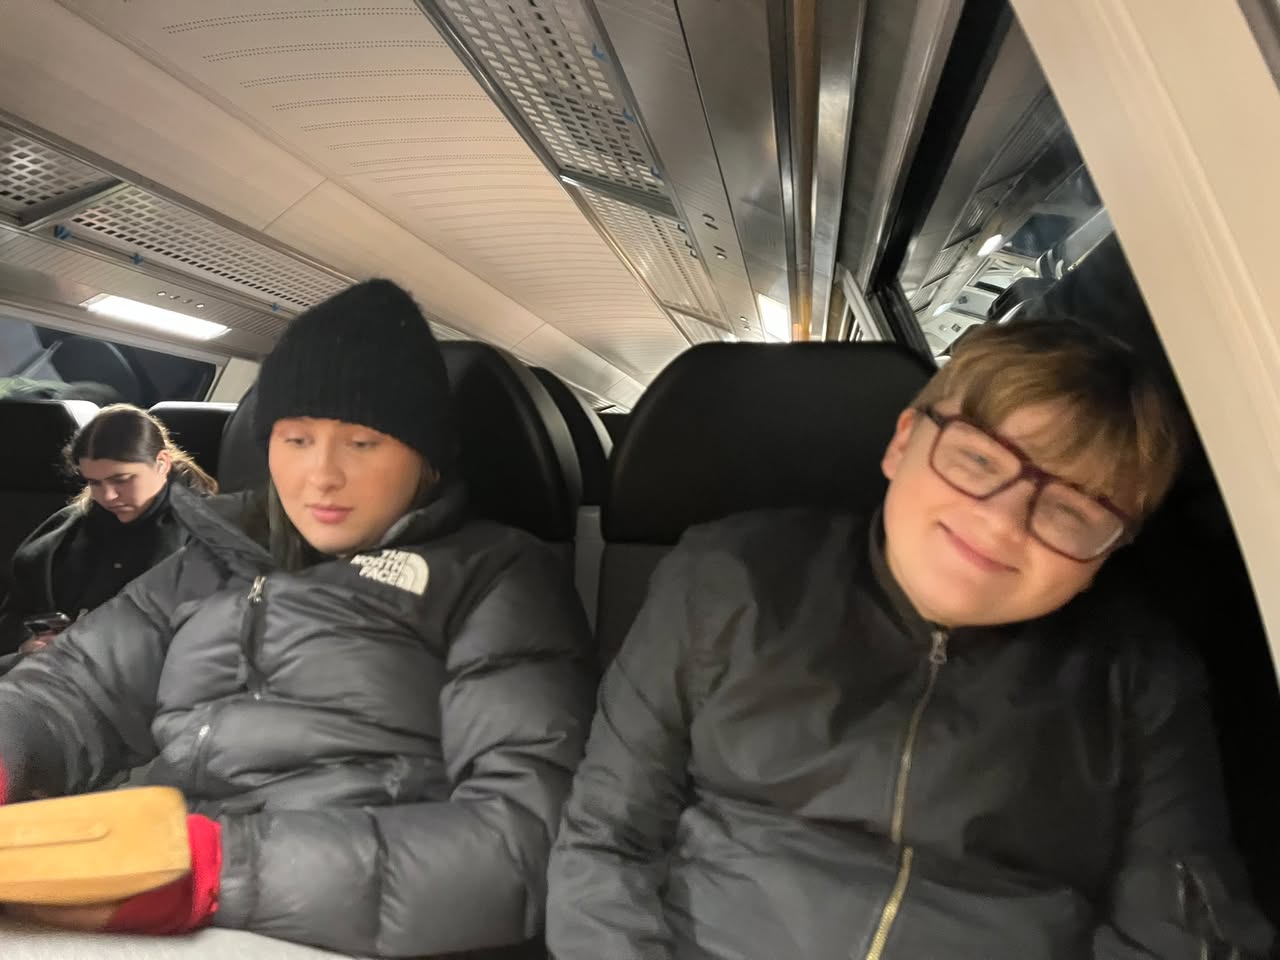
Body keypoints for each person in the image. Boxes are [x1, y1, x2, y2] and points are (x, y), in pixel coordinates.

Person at [546, 319, 1275, 959]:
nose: (1002, 523)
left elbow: (1182, 938)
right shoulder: (726, 576)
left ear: (1108, 554)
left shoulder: (1140, 680)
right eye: (979, 459)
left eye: (1073, 510)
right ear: (903, 442)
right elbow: (608, 841)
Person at [0, 279, 596, 957]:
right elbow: (73, 687)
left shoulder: (496, 576)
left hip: (338, 922)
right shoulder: (211, 557)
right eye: (297, 439)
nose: (321, 475)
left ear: (426, 455)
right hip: (159, 879)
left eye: (363, 443)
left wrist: (219, 872)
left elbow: (523, 835)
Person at [0, 403, 216, 660]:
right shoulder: (69, 527)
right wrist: (28, 643)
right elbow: (14, 612)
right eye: (95, 483)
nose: (108, 496)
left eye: (121, 480)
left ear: (162, 463)